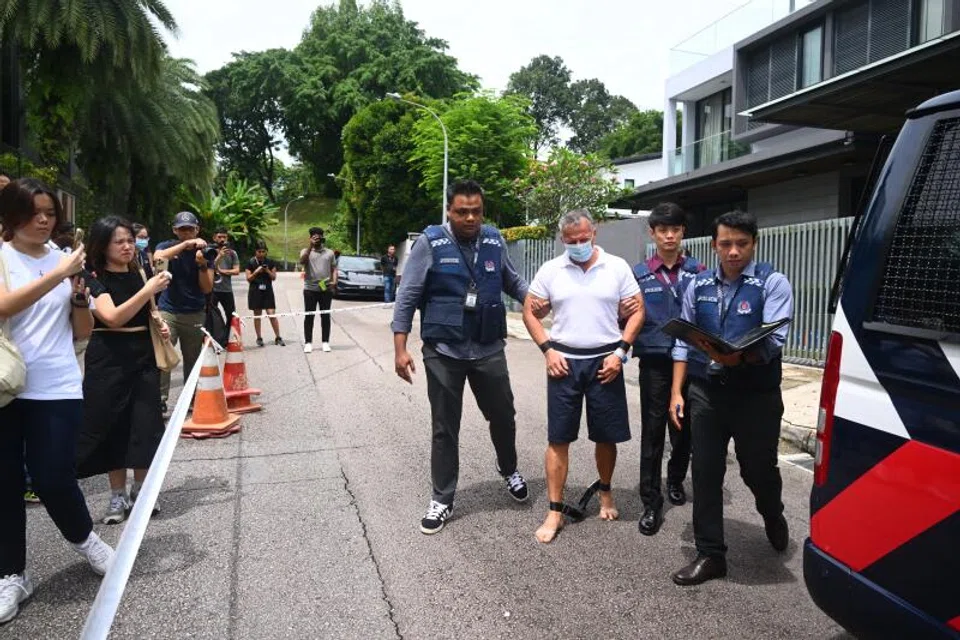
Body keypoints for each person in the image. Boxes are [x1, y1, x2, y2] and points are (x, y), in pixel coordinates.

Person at [0, 179, 114, 624]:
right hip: (6, 386)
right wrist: (59, 275)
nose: (44, 220)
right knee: (5, 483)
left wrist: (80, 298)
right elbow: (4, 306)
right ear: (11, 216)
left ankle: (87, 540)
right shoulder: (5, 257)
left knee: (52, 476)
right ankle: (12, 574)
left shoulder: (65, 260)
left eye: (50, 212)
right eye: (34, 213)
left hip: (57, 384)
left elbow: (82, 331)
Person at [392, 179, 531, 535]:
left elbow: (513, 281)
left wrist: (539, 300)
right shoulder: (429, 243)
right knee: (444, 427)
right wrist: (400, 348)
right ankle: (442, 498)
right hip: (444, 351)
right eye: (462, 212)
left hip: (488, 347)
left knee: (503, 416)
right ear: (449, 211)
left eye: (477, 212)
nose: (470, 218)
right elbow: (408, 295)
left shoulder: (493, 239)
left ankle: (509, 468)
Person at [668, 210, 794, 586]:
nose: (734, 251)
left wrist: (740, 358)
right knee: (705, 471)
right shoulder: (698, 285)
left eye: (741, 244)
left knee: (758, 469)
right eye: (726, 244)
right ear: (714, 246)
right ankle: (710, 554)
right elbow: (683, 339)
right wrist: (677, 391)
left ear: (754, 244)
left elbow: (775, 339)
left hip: (756, 395)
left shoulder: (772, 282)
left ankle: (772, 512)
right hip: (707, 392)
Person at [522, 209, 644, 543]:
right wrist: (547, 350)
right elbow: (529, 311)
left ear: (594, 233)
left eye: (583, 238)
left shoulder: (616, 267)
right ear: (562, 239)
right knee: (558, 437)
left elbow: (638, 311)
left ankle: (605, 491)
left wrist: (621, 352)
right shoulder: (551, 269)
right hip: (563, 362)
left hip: (606, 362)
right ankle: (555, 511)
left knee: (606, 435)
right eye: (571, 240)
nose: (578, 244)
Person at [76, 216, 172, 524]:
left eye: (130, 240)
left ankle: (142, 490)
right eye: (119, 241)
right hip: (107, 359)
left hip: (143, 356)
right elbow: (113, 317)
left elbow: (149, 309)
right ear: (103, 245)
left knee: (145, 424)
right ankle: (117, 494)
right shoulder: (92, 276)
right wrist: (148, 289)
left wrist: (160, 323)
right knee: (111, 426)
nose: (128, 246)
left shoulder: (140, 270)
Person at [632, 203, 704, 536]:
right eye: (663, 230)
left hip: (691, 362)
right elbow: (625, 315)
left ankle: (675, 479)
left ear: (683, 232)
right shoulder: (639, 274)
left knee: (684, 428)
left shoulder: (699, 272)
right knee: (653, 430)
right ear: (653, 233)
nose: (669, 236)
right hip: (655, 362)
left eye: (675, 229)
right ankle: (651, 501)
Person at [153, 211, 214, 415]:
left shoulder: (205, 252)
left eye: (190, 229)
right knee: (164, 355)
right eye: (182, 229)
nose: (186, 233)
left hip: (194, 312)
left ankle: (191, 398)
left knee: (192, 358)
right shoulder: (166, 246)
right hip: (168, 310)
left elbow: (207, 288)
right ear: (175, 230)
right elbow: (158, 260)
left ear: (197, 229)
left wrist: (202, 265)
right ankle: (160, 399)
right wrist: (185, 245)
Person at [299, 227, 337, 353]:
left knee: (325, 316)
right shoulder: (305, 251)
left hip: (325, 289)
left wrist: (334, 282)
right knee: (309, 316)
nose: (317, 239)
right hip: (310, 289)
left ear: (322, 238)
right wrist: (310, 247)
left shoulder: (329, 253)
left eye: (319, 237)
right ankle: (308, 342)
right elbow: (302, 261)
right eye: (314, 237)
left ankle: (325, 342)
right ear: (310, 238)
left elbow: (334, 268)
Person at [246, 240, 285, 347]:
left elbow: (274, 277)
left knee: (272, 314)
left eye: (263, 251)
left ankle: (278, 337)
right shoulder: (250, 262)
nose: (261, 254)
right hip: (255, 291)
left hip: (267, 290)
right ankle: (259, 338)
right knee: (257, 315)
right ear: (255, 251)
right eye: (259, 251)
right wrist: (256, 271)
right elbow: (248, 278)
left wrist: (267, 270)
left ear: (266, 251)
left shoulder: (270, 262)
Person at [212, 227, 240, 342]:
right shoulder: (210, 251)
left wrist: (222, 271)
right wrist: (219, 256)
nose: (222, 239)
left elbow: (237, 270)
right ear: (214, 238)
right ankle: (214, 339)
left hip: (226, 289)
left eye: (224, 237)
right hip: (212, 289)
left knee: (231, 315)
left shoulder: (232, 253)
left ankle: (226, 339)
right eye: (219, 237)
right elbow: (209, 267)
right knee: (212, 315)